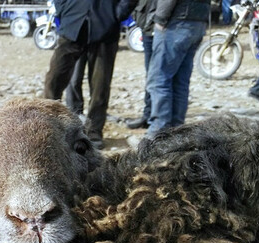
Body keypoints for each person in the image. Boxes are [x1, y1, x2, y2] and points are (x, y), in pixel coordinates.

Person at [43, 0, 134, 149]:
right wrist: (63, 9)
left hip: (105, 26)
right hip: (73, 22)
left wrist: (118, 13)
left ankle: (94, 131)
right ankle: (49, 124)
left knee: (100, 84)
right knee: (54, 78)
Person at [144, 0, 209, 138]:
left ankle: (157, 134)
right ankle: (177, 132)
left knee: (159, 81)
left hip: (176, 23)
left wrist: (160, 19)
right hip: (198, 21)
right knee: (180, 82)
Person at [125, 0, 157, 129]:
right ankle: (149, 115)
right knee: (152, 76)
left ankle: (156, 119)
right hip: (148, 25)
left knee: (158, 78)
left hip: (159, 25)